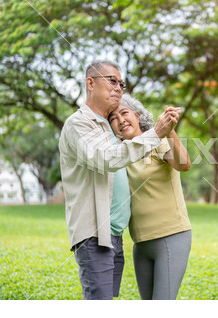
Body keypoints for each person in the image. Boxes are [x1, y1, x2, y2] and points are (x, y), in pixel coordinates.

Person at [59, 60, 180, 300]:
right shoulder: (79, 124)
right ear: (90, 83)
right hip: (94, 235)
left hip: (114, 236)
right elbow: (106, 158)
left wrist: (165, 132)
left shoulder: (108, 128)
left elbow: (177, 161)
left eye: (121, 84)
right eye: (112, 81)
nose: (118, 88)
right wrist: (155, 133)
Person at [108, 93, 192, 300]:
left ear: (137, 115)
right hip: (141, 243)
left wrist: (169, 132)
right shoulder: (119, 154)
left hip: (171, 236)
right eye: (113, 119)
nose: (120, 121)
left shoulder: (158, 142)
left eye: (124, 113)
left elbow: (184, 164)